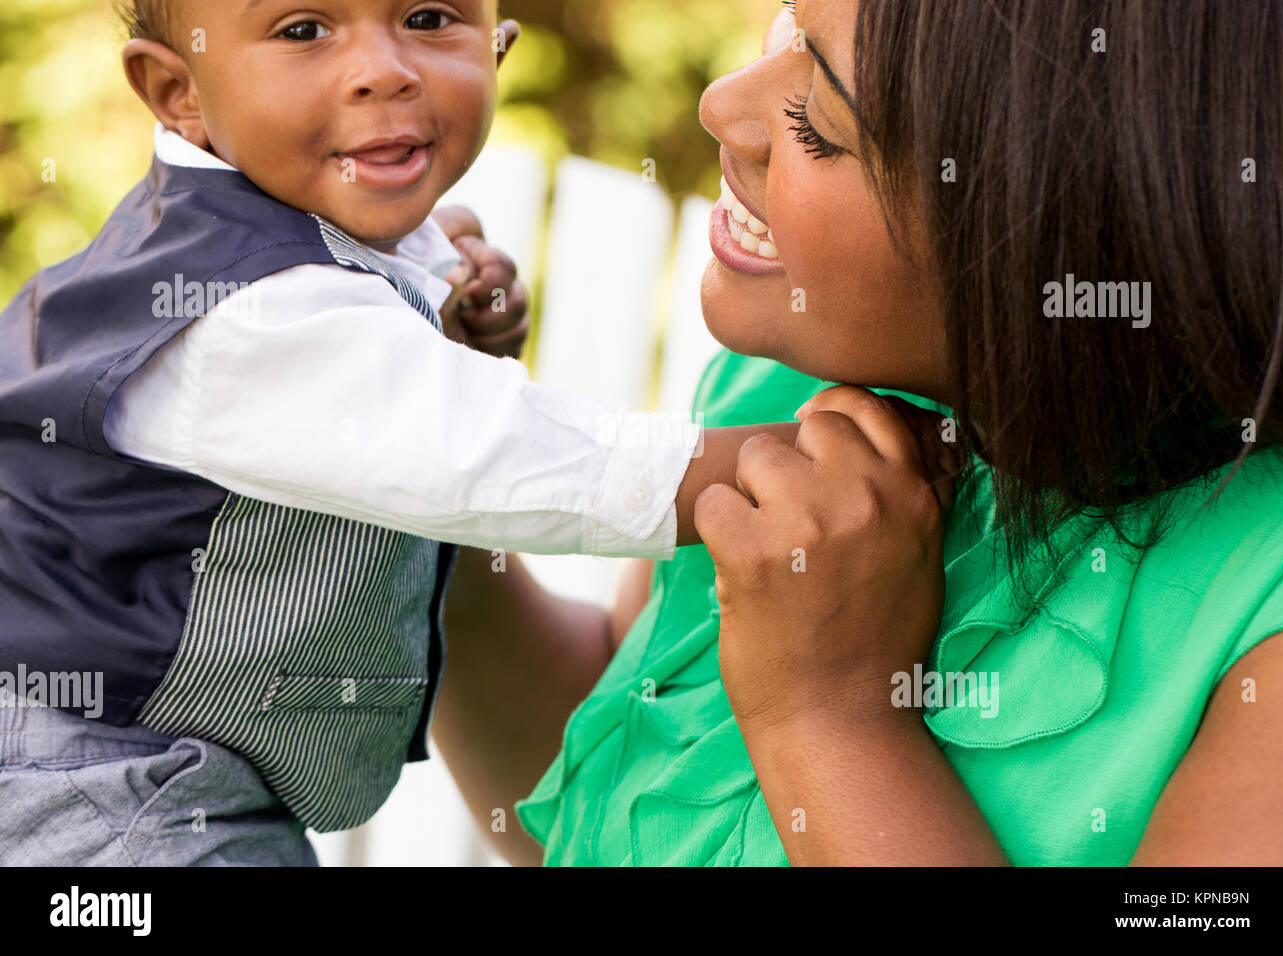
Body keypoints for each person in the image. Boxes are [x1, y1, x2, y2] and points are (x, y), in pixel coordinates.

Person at [435, 0, 1283, 865]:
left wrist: (829, 718)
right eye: (788, 23)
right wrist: (436, 475)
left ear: (1071, 225)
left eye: (818, 121)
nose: (722, 105)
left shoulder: (1273, 628)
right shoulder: (787, 384)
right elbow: (611, 798)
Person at [0, 0, 811, 865]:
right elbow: (518, 459)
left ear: (497, 46)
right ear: (178, 91)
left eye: (427, 17)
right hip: (101, 788)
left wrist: (431, 294)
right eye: (303, 30)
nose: (383, 70)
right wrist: (798, 468)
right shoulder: (251, 310)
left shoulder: (246, 234)